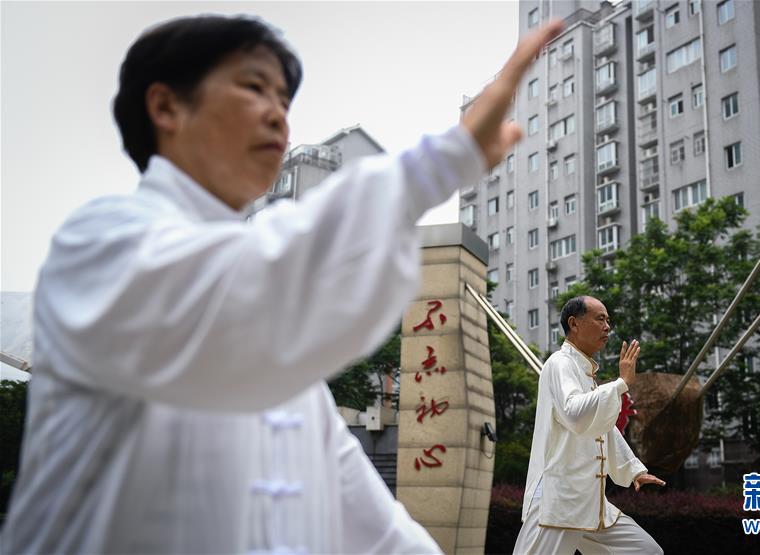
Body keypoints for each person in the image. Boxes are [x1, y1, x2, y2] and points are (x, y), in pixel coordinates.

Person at [0, 14, 564, 554]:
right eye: (255, 87)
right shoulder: (100, 245)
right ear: (166, 105)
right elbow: (243, 290)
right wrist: (434, 166)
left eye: (285, 101)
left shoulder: (295, 385)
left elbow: (377, 532)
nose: (278, 115)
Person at [513, 296, 666, 554]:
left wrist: (633, 471)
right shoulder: (559, 363)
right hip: (559, 499)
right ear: (574, 323)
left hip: (590, 502)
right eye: (600, 319)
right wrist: (620, 384)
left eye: (608, 320)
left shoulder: (587, 376)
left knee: (647, 551)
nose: (607, 326)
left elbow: (604, 430)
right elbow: (575, 414)